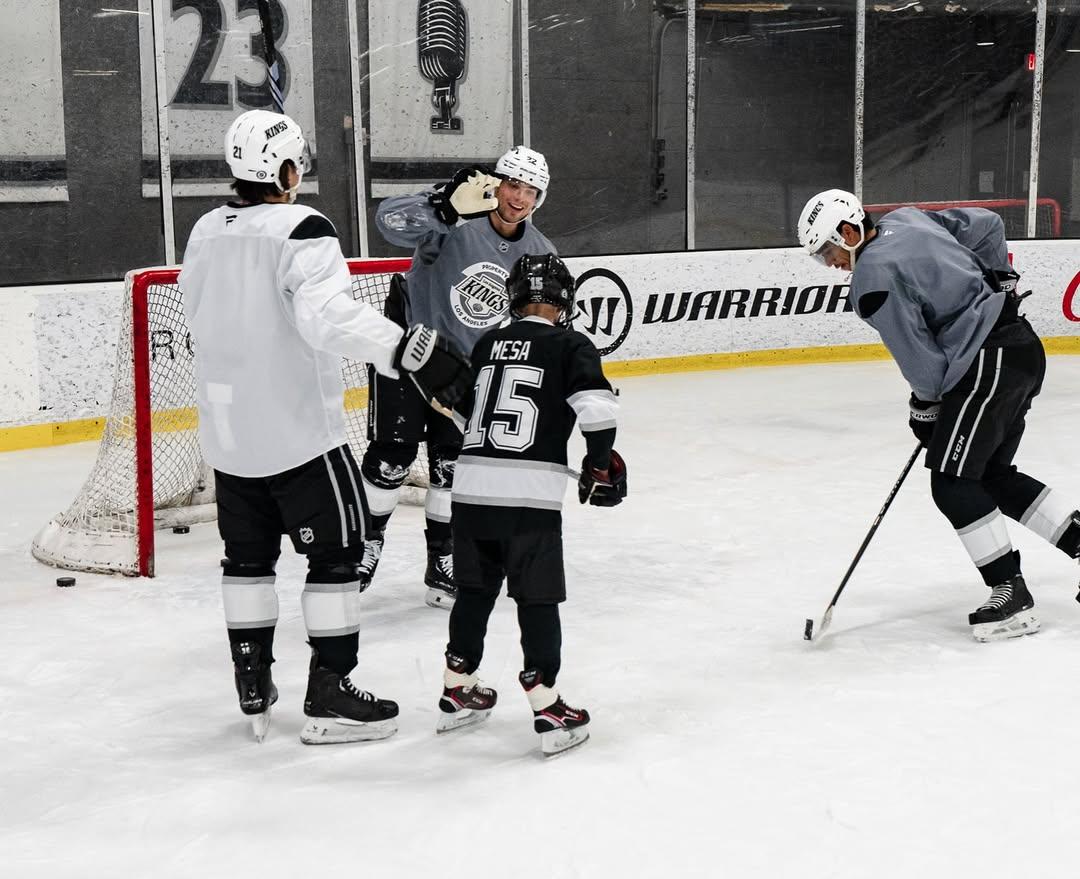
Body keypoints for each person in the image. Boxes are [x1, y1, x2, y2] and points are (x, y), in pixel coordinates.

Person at [178, 109, 472, 743]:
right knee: (337, 558)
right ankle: (330, 692)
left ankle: (251, 682)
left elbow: (200, 307)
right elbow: (328, 319)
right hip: (297, 433)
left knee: (246, 561)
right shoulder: (302, 227)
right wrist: (409, 349)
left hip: (228, 439)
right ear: (286, 169)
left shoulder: (204, 228)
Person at [797, 189, 1080, 641]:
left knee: (951, 481)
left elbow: (921, 358)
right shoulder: (907, 218)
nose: (831, 262)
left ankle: (1011, 597)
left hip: (986, 362)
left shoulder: (871, 276)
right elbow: (987, 224)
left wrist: (925, 406)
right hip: (1021, 350)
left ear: (849, 232)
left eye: (829, 250)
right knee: (989, 475)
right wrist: (1001, 279)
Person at [434, 253, 626, 757]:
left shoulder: (488, 341)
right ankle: (547, 703)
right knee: (537, 599)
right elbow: (597, 409)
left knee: (474, 592)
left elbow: (463, 414)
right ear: (564, 300)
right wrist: (600, 463)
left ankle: (457, 687)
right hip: (528, 501)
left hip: (470, 493)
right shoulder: (570, 343)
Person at [360, 146, 557, 610]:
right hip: (409, 353)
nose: (519, 198)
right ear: (495, 184)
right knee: (391, 458)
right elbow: (388, 223)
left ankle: (442, 557)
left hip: (467, 372)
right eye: (513, 184)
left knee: (452, 467)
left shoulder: (540, 252)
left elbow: (540, 322)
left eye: (531, 190)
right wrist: (440, 207)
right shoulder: (456, 218)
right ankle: (364, 544)